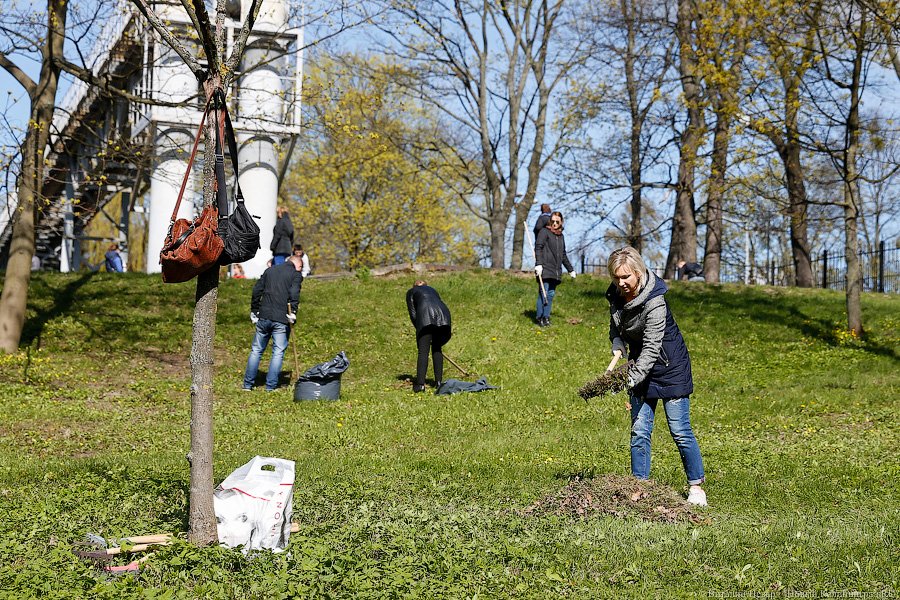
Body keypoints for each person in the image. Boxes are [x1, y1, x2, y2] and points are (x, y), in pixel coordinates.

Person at [606, 246, 707, 506]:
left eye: (626, 277)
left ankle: (696, 487)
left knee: (680, 429)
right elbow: (616, 325)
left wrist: (630, 379)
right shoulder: (616, 295)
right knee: (639, 431)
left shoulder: (655, 301)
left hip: (670, 367)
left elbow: (652, 348)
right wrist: (616, 341)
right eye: (616, 277)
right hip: (639, 365)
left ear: (638, 273)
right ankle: (640, 487)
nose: (621, 282)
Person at [242, 254, 304, 391]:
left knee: (256, 350)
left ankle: (247, 384)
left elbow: (257, 290)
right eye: (301, 268)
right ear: (298, 265)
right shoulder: (295, 274)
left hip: (264, 315)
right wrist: (293, 311)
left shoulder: (270, 270)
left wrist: (254, 310)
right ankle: (270, 386)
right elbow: (294, 292)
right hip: (281, 318)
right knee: (278, 352)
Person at [406, 280, 451, 393]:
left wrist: (419, 327)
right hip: (444, 315)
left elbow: (413, 313)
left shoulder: (411, 292)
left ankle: (420, 385)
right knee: (437, 348)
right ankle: (439, 382)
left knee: (423, 351)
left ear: (414, 286)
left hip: (425, 315)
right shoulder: (433, 290)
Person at [533, 211, 575, 327]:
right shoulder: (544, 232)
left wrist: (570, 269)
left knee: (550, 294)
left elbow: (563, 255)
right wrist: (538, 264)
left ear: (561, 222)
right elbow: (538, 247)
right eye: (553, 221)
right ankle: (539, 317)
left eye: (557, 221)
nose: (555, 223)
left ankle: (546, 317)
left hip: (555, 271)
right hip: (545, 268)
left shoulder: (561, 236)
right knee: (544, 292)